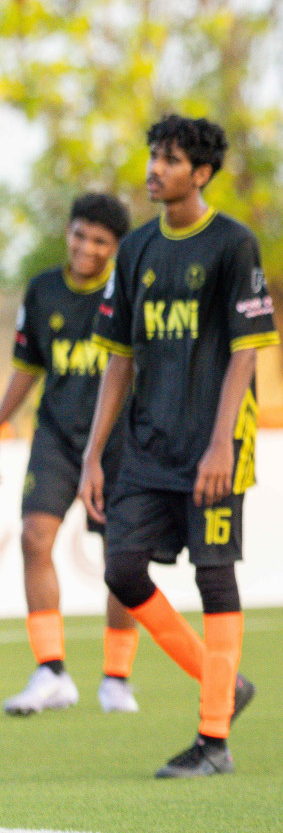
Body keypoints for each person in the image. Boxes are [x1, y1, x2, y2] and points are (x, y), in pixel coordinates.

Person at [80, 114, 279, 778]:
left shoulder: (233, 245)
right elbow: (117, 359)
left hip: (214, 444)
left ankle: (213, 738)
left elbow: (247, 354)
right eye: (152, 156)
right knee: (122, 568)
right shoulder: (134, 250)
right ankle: (223, 681)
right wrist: (92, 454)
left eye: (169, 160)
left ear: (201, 173)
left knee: (213, 574)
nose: (154, 169)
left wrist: (221, 445)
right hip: (146, 446)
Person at [2, 193, 141, 715]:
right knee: (36, 539)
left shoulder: (124, 293)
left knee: (121, 562)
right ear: (68, 231)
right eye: (80, 235)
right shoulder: (40, 291)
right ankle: (51, 672)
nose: (86, 247)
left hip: (118, 443)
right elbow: (28, 366)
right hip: (56, 438)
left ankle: (117, 677)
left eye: (100, 241)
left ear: (116, 248)